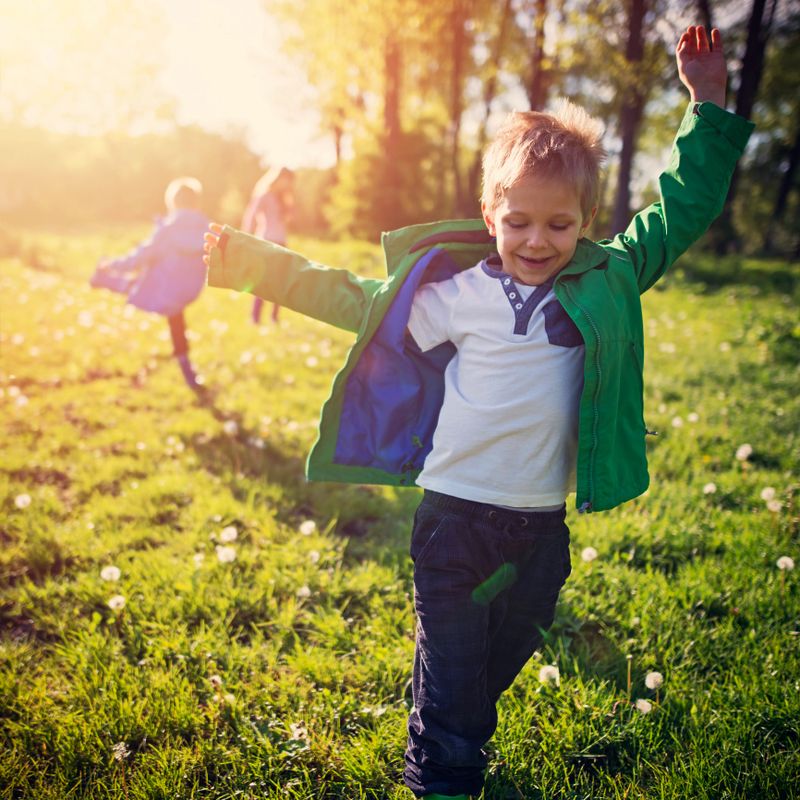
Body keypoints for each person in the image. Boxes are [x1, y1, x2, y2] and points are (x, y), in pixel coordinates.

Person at [203, 27, 752, 800]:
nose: (538, 240)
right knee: (459, 705)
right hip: (453, 522)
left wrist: (706, 102)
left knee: (498, 659)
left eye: (560, 225)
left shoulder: (606, 282)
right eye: (520, 221)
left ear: (585, 220)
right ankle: (442, 773)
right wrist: (255, 265)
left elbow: (679, 212)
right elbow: (355, 301)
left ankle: (440, 720)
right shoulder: (458, 296)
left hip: (540, 534)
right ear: (491, 212)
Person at [91, 177, 208, 390]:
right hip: (190, 291)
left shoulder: (168, 229)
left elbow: (139, 258)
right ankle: (186, 367)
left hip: (167, 288)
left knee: (143, 277)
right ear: (196, 203)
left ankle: (103, 278)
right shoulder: (207, 228)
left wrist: (114, 264)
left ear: (173, 203)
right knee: (175, 315)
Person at [241, 166, 295, 324]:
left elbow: (290, 220)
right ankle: (255, 317)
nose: (288, 184)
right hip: (266, 240)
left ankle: (274, 317)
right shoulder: (264, 195)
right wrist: (246, 237)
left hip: (281, 241)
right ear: (278, 178)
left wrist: (289, 206)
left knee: (280, 280)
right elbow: (250, 216)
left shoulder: (284, 198)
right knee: (262, 280)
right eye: (287, 180)